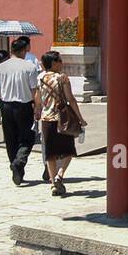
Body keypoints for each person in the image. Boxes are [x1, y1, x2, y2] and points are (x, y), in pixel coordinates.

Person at [0, 36, 40, 186]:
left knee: (10, 139)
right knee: (27, 138)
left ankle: (16, 167)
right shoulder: (29, 67)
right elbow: (34, 90)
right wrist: (38, 107)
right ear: (23, 51)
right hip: (23, 107)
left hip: (6, 107)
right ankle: (19, 162)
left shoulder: (0, 67)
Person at [37, 51, 87, 197]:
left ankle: (53, 184)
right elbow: (70, 99)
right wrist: (80, 118)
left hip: (46, 119)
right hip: (62, 119)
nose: (61, 63)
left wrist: (38, 111)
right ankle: (60, 175)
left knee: (50, 154)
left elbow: (38, 100)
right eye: (59, 60)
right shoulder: (63, 78)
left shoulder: (39, 78)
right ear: (54, 63)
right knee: (69, 150)